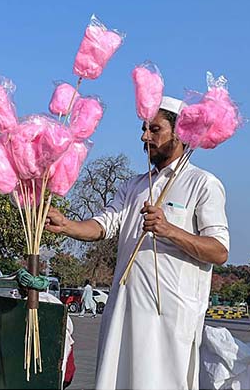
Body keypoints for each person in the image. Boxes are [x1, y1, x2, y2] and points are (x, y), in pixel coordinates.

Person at [45, 97, 230, 389]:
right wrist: (67, 225)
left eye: (155, 129)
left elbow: (219, 251)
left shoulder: (202, 183)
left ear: (180, 132)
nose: (145, 137)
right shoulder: (133, 185)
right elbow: (105, 224)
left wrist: (169, 230)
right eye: (143, 129)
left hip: (169, 317)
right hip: (123, 311)